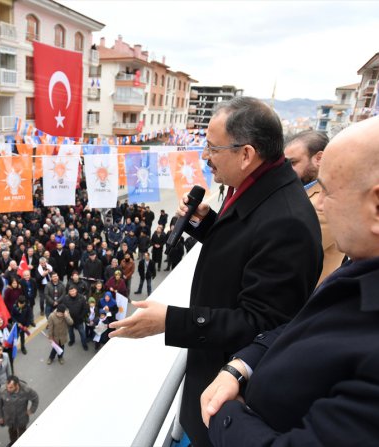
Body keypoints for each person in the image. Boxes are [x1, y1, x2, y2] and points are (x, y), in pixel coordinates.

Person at [110, 97, 322, 447]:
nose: (205, 157)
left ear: (246, 154)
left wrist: (169, 321)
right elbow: (245, 252)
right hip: (210, 380)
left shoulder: (287, 221)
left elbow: (264, 324)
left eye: (212, 147)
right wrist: (206, 223)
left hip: (228, 394)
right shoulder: (257, 188)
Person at [201, 105, 379, 445]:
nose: (318, 205)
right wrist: (241, 366)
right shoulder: (370, 266)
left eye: (328, 191)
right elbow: (304, 325)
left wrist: (225, 414)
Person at [284, 130, 345, 284]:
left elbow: (291, 252)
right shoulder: (299, 190)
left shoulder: (327, 201)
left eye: (293, 163)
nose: (286, 170)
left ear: (319, 158)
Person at [0, 376, 39, 446]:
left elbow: (35, 398)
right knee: (12, 432)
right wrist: (0, 416)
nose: (8, 389)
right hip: (9, 418)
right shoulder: (2, 390)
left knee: (22, 433)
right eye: (7, 386)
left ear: (17, 385)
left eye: (10, 387)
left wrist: (31, 410)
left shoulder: (26, 390)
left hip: (21, 418)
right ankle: (13, 442)